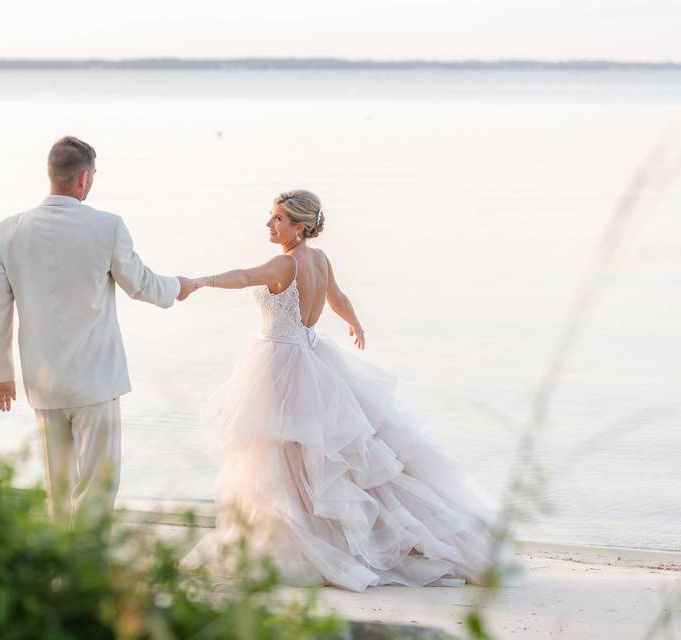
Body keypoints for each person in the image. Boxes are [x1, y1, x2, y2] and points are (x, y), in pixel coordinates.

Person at [178, 189, 518, 590]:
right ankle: (329, 532)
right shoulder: (319, 259)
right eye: (270, 216)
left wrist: (199, 281)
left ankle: (303, 539)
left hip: (279, 363)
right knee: (313, 454)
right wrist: (354, 323)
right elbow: (336, 297)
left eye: (277, 219)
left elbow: (244, 277)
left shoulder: (283, 264)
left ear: (299, 227)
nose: (269, 224)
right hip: (314, 356)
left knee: (280, 454)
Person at [0, 136, 197, 525]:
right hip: (96, 381)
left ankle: (59, 566)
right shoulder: (107, 226)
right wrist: (178, 287)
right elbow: (142, 285)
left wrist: (0, 375)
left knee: (57, 489)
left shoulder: (8, 231)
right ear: (83, 179)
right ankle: (87, 569)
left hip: (44, 383)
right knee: (97, 486)